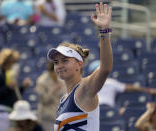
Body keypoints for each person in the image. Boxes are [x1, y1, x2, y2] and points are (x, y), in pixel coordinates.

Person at [47, 2, 113, 131]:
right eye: (56, 62)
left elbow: (105, 69)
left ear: (79, 64)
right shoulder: (64, 98)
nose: (59, 65)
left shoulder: (84, 88)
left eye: (65, 61)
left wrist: (104, 31)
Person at [88, 60, 156, 107]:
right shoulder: (86, 83)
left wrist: (148, 90)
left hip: (109, 108)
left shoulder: (111, 82)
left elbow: (131, 88)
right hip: (92, 110)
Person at [35, 62, 66, 131]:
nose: (57, 74)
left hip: (60, 117)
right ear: (50, 71)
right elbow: (43, 101)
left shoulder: (62, 79)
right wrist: (52, 91)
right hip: (47, 118)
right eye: (55, 72)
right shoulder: (42, 81)